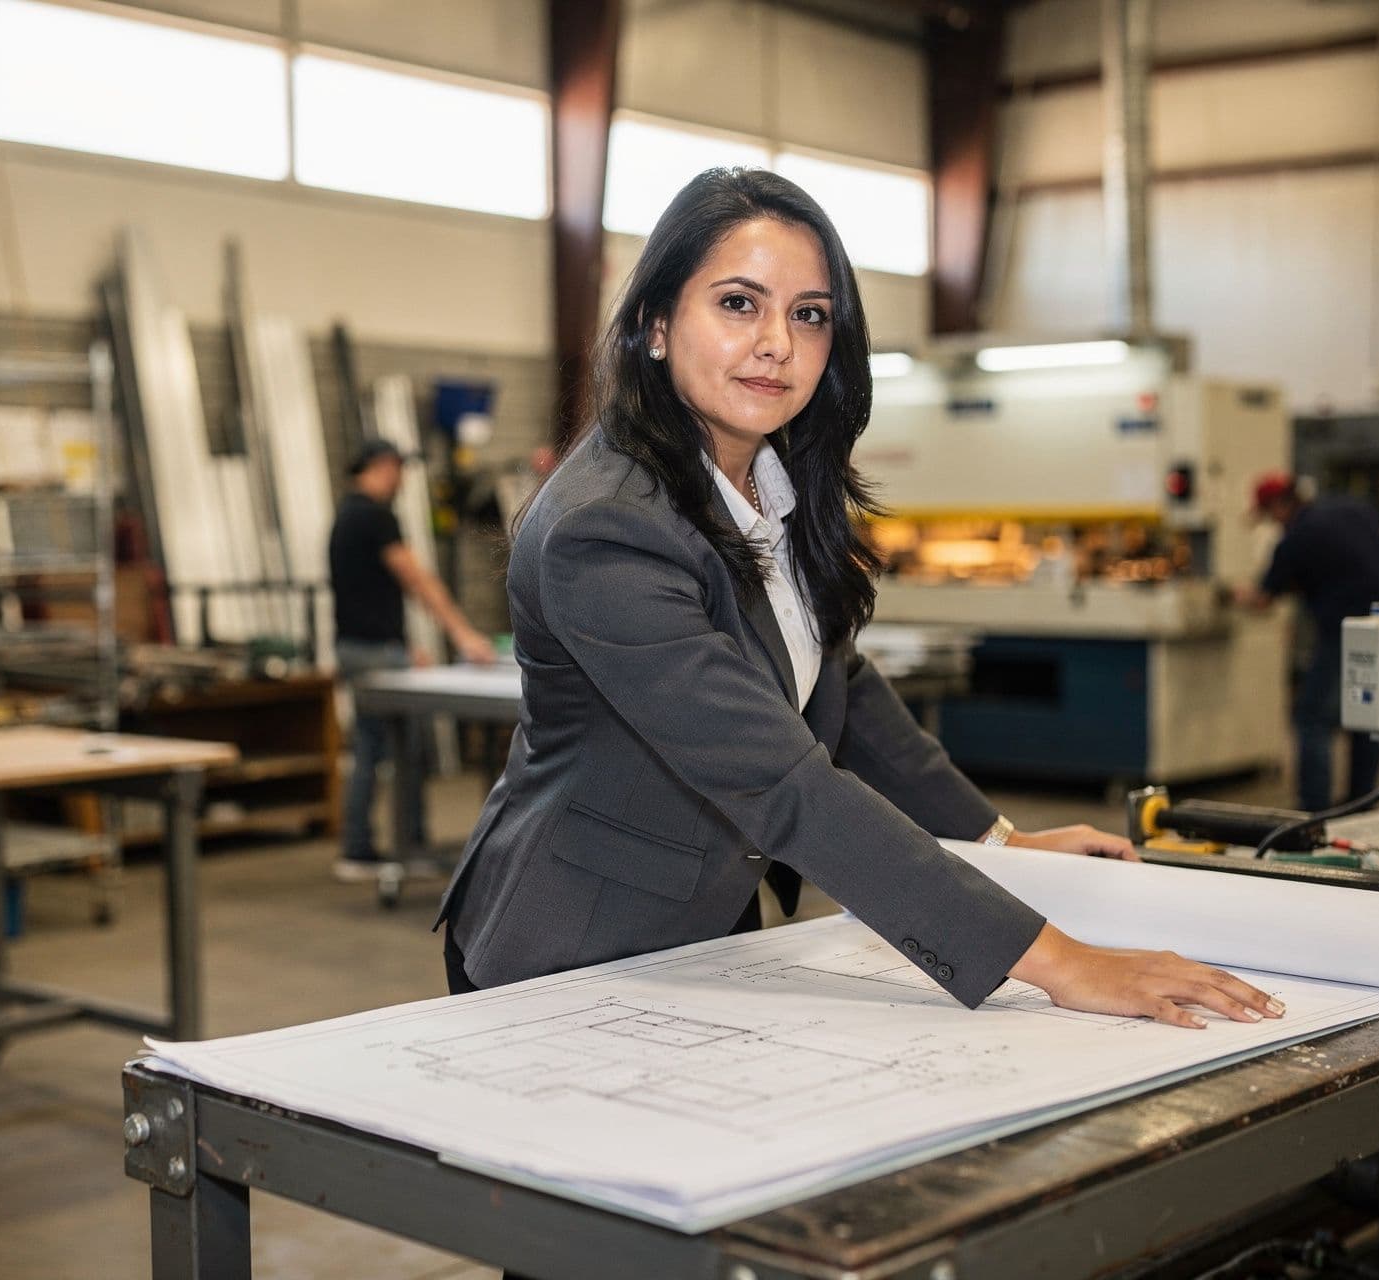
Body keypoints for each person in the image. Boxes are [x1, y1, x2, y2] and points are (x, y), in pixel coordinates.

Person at [435, 168, 1282, 1041]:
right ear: (656, 324)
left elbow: (843, 689)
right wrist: (1060, 961)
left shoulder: (769, 486)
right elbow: (780, 777)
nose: (777, 343)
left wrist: (998, 841)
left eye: (809, 314)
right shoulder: (608, 528)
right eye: (738, 304)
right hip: (572, 944)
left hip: (699, 930)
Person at [329, 438, 496, 881]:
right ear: (384, 466)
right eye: (399, 469)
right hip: (374, 654)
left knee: (370, 747)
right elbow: (417, 580)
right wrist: (463, 634)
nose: (402, 480)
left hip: (360, 647)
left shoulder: (346, 514)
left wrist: (403, 648)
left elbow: (365, 595)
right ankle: (406, 847)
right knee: (403, 748)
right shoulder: (374, 516)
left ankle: (362, 847)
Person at [1235, 473, 1379, 812]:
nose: (1272, 523)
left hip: (1344, 631)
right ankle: (1361, 802)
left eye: (1269, 515)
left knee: (1310, 717)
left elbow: (1263, 599)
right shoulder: (1350, 508)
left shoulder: (1295, 538)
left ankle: (1314, 808)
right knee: (1368, 713)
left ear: (1279, 506)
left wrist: (1232, 596)